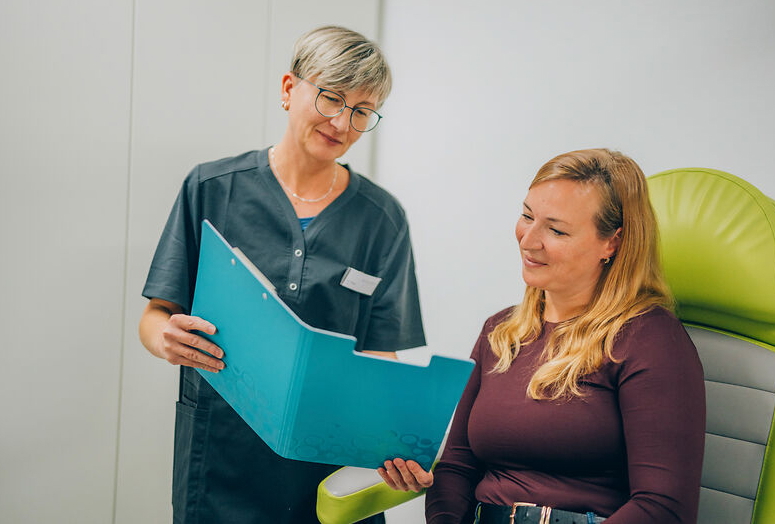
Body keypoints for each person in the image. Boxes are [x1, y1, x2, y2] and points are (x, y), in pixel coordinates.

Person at [138, 25, 425, 524]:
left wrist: (393, 434)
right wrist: (164, 338)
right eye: (331, 98)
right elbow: (157, 315)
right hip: (221, 455)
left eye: (361, 111)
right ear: (291, 89)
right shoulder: (211, 188)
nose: (342, 121)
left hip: (330, 461)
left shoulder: (382, 218)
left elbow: (382, 350)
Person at [379, 149, 706, 523]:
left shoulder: (649, 339)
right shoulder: (499, 332)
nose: (528, 240)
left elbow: (664, 508)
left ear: (612, 243)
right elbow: (458, 467)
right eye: (527, 216)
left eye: (556, 229)